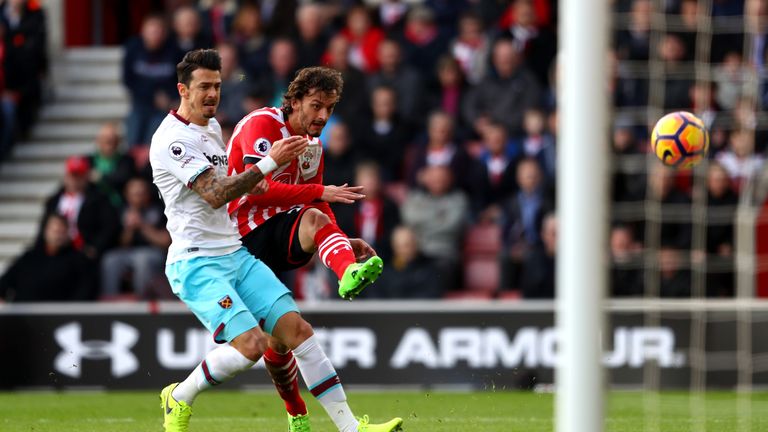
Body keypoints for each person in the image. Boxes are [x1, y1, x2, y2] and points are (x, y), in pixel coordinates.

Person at [151, 49, 401, 432]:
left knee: (296, 332)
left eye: (217, 85)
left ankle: (352, 428)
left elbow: (266, 191)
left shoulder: (212, 130)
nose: (213, 94)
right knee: (252, 346)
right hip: (196, 261)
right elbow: (218, 193)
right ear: (183, 89)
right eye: (203, 86)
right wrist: (269, 164)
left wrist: (335, 239)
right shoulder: (173, 140)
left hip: (234, 252)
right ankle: (180, 396)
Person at [226, 66, 395, 431]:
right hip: (238, 239)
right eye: (316, 105)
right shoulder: (263, 125)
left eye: (330, 109)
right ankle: (296, 413)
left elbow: (318, 208)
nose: (322, 116)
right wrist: (320, 194)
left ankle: (348, 272)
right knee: (280, 342)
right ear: (294, 101)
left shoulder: (312, 146)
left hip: (276, 233)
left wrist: (341, 244)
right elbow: (257, 188)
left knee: (318, 220)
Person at [0, 213, 94, 301]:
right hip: (23, 315)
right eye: (55, 231)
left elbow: (85, 293)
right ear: (46, 231)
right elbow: (5, 281)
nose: (58, 236)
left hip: (60, 315)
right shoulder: (29, 257)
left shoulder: (78, 260)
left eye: (62, 231)